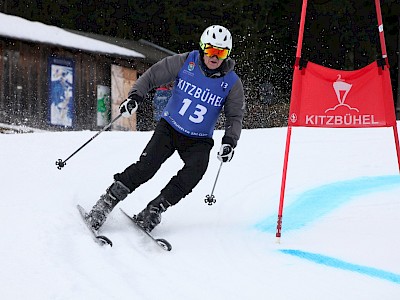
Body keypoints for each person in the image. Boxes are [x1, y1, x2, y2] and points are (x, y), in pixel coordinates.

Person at [86, 25, 245, 232]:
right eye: (211, 50)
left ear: (227, 54)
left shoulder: (232, 83)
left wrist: (230, 142)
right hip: (170, 128)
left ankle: (155, 209)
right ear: (203, 48)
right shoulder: (185, 61)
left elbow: (235, 115)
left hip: (199, 139)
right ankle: (107, 201)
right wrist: (135, 97)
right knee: (146, 167)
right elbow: (152, 76)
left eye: (221, 52)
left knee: (195, 171)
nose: (214, 57)